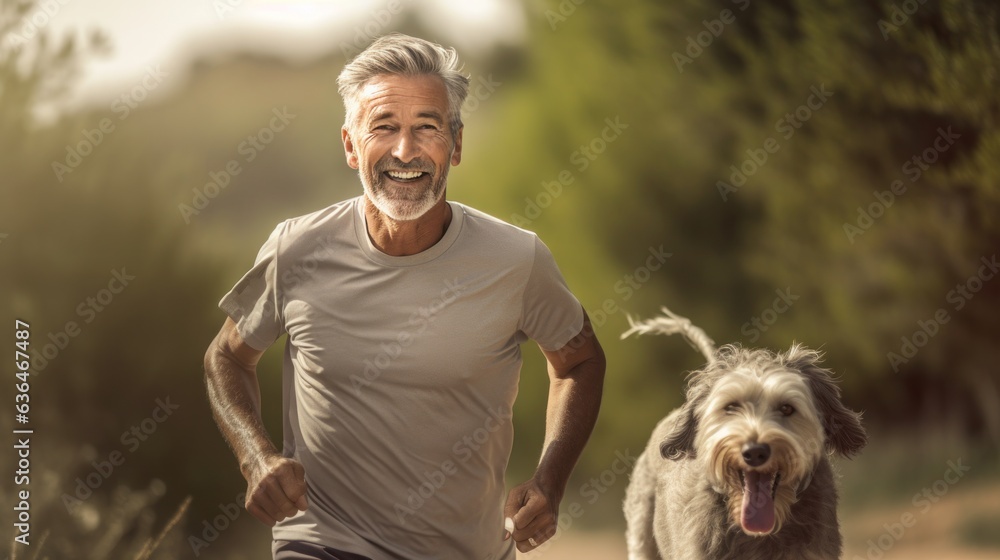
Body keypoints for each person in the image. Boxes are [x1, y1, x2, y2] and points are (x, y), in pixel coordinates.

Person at [204, 33, 605, 560]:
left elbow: (579, 361)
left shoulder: (517, 260)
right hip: (323, 544)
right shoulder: (296, 251)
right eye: (384, 127)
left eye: (427, 128)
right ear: (351, 144)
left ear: (456, 144)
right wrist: (255, 456)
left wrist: (550, 481)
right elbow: (226, 357)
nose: (405, 151)